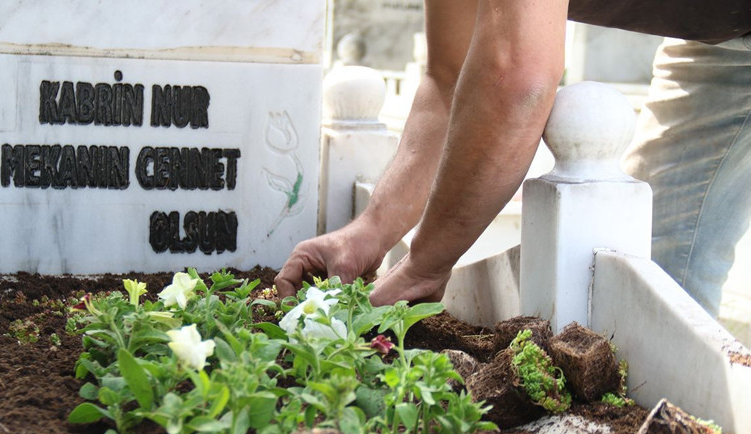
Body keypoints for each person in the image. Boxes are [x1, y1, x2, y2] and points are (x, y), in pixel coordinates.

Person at [277, 0, 751, 317]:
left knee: (654, 303)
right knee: (656, 286)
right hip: (716, 30)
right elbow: (452, 78)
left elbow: (517, 81)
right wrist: (371, 229)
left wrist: (423, 267)